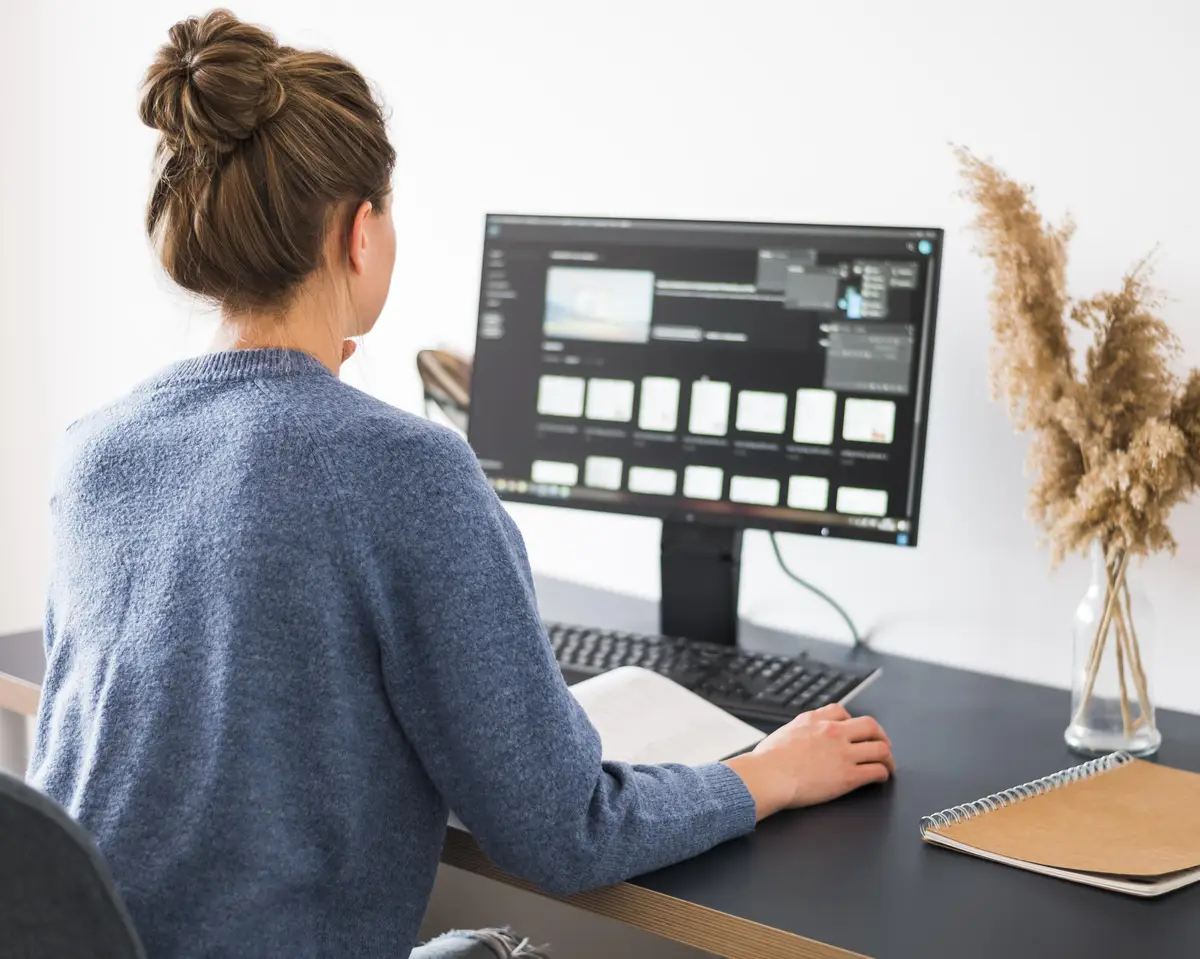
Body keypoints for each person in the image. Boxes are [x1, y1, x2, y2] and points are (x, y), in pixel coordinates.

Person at [27, 9, 895, 959]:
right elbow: (566, 831)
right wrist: (767, 775)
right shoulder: (404, 469)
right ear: (359, 234)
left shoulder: (94, 450)